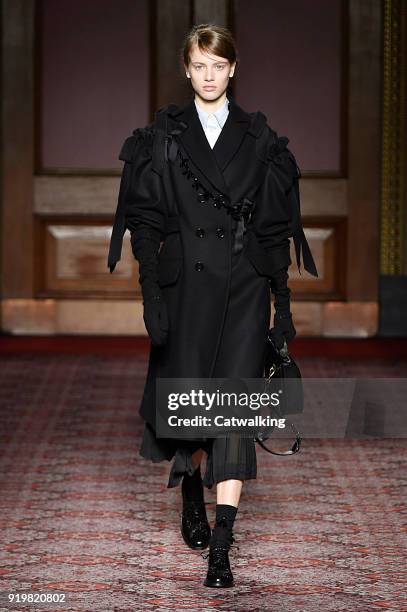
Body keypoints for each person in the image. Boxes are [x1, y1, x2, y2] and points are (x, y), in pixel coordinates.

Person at [107, 23, 318, 588]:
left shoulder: (260, 138)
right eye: (198, 65)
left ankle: (221, 544)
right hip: (186, 294)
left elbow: (274, 229)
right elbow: (145, 224)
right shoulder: (164, 137)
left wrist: (283, 307)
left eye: (217, 66)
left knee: (232, 414)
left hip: (244, 291)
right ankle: (190, 499)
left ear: (233, 69)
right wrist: (151, 296)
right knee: (195, 408)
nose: (207, 75)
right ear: (186, 69)